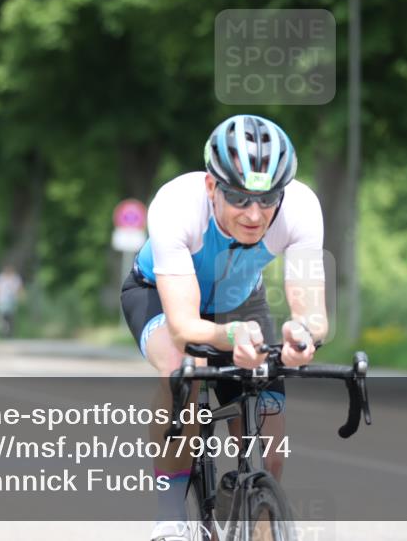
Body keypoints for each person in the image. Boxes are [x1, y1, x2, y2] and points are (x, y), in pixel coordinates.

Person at [120, 115, 327, 541]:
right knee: (184, 369)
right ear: (213, 187)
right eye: (238, 197)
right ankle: (170, 517)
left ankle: (258, 511)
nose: (255, 215)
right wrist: (230, 338)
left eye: (268, 199)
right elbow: (183, 325)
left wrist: (302, 338)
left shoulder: (302, 208)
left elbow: (312, 311)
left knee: (268, 432)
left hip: (239, 303)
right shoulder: (177, 204)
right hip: (159, 294)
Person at [0, 264, 24, 338]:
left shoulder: (16, 278)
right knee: (1, 317)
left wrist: (21, 296)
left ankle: (10, 333)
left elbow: (19, 288)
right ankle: (3, 332)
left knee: (11, 317)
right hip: (1, 300)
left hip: (12, 300)